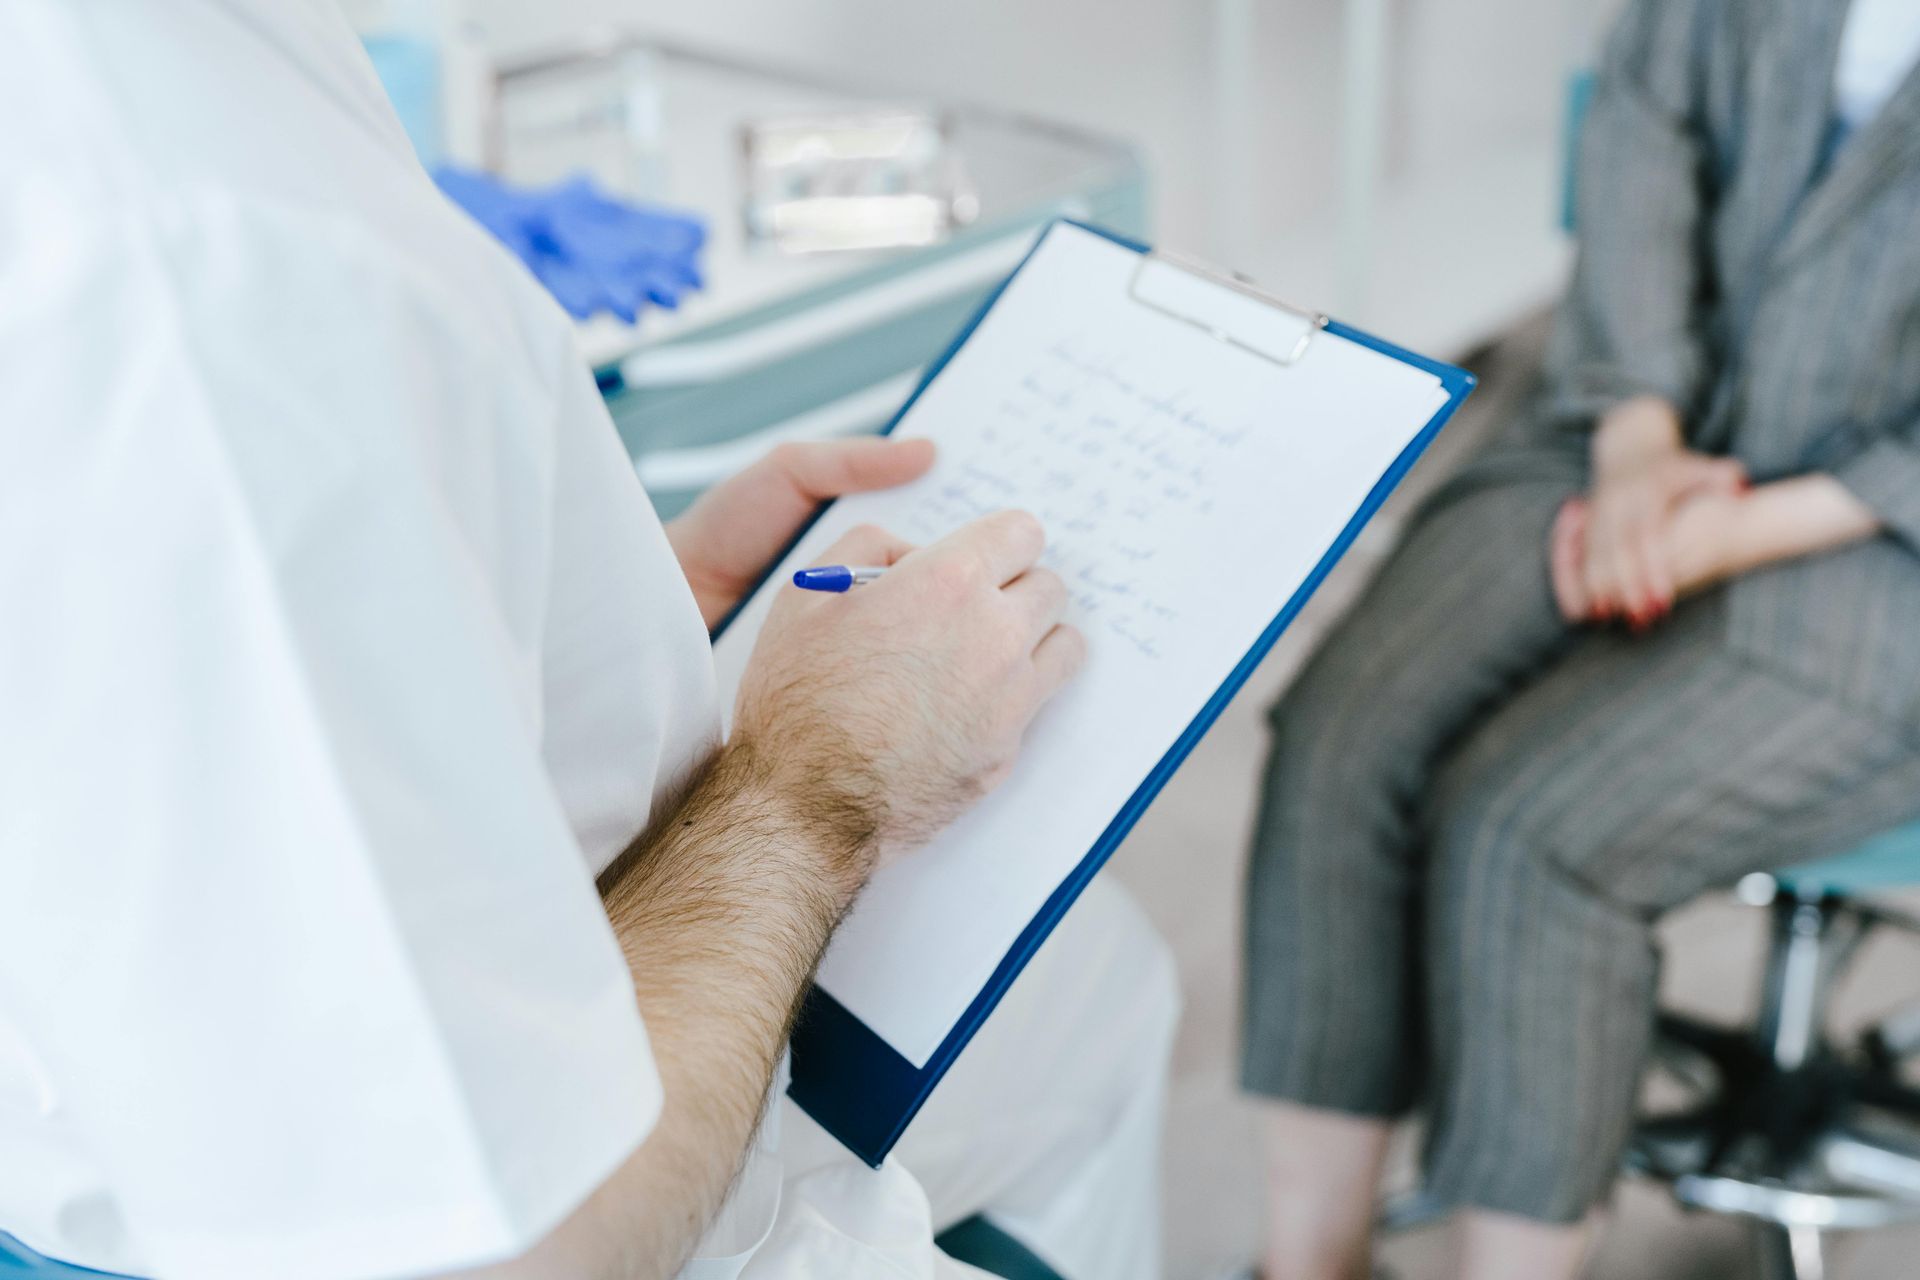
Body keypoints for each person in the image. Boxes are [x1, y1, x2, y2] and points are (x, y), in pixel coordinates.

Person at [0, 3, 1178, 1279]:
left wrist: (587, 598)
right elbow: (512, 1251)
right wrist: (815, 769)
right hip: (568, 1213)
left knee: (1105, 977)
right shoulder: (200, 282)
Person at [1239, 0, 1920, 1276]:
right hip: (1635, 414)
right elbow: (1640, 142)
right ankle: (1306, 1259)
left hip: (1881, 537)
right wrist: (1639, 438)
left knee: (1530, 829)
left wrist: (1731, 528)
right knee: (1345, 734)